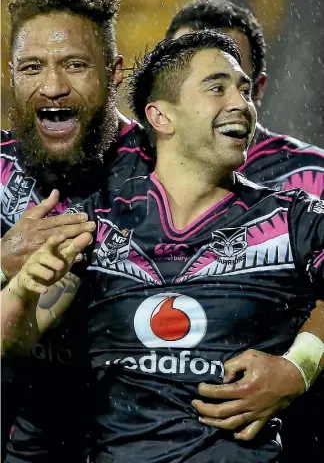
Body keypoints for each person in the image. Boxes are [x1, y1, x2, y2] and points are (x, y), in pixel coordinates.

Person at [9, 31, 323, 462]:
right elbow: (15, 340)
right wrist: (22, 291)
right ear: (161, 117)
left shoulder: (292, 219)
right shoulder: (93, 225)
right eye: (217, 87)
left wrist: (298, 367)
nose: (241, 103)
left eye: (244, 90)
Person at [1, 0, 154, 462]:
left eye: (74, 65)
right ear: (10, 74)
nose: (52, 86)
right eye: (31, 67)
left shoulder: (175, 172)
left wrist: (301, 365)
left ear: (115, 73)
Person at [165, 0, 324, 458]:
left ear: (255, 89)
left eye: (226, 79)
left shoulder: (311, 179)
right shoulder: (127, 174)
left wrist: (297, 367)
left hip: (289, 429)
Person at [166, 0, 324, 199]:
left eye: (219, 86)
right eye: (187, 79)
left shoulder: (314, 179)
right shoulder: (130, 177)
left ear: (257, 89)